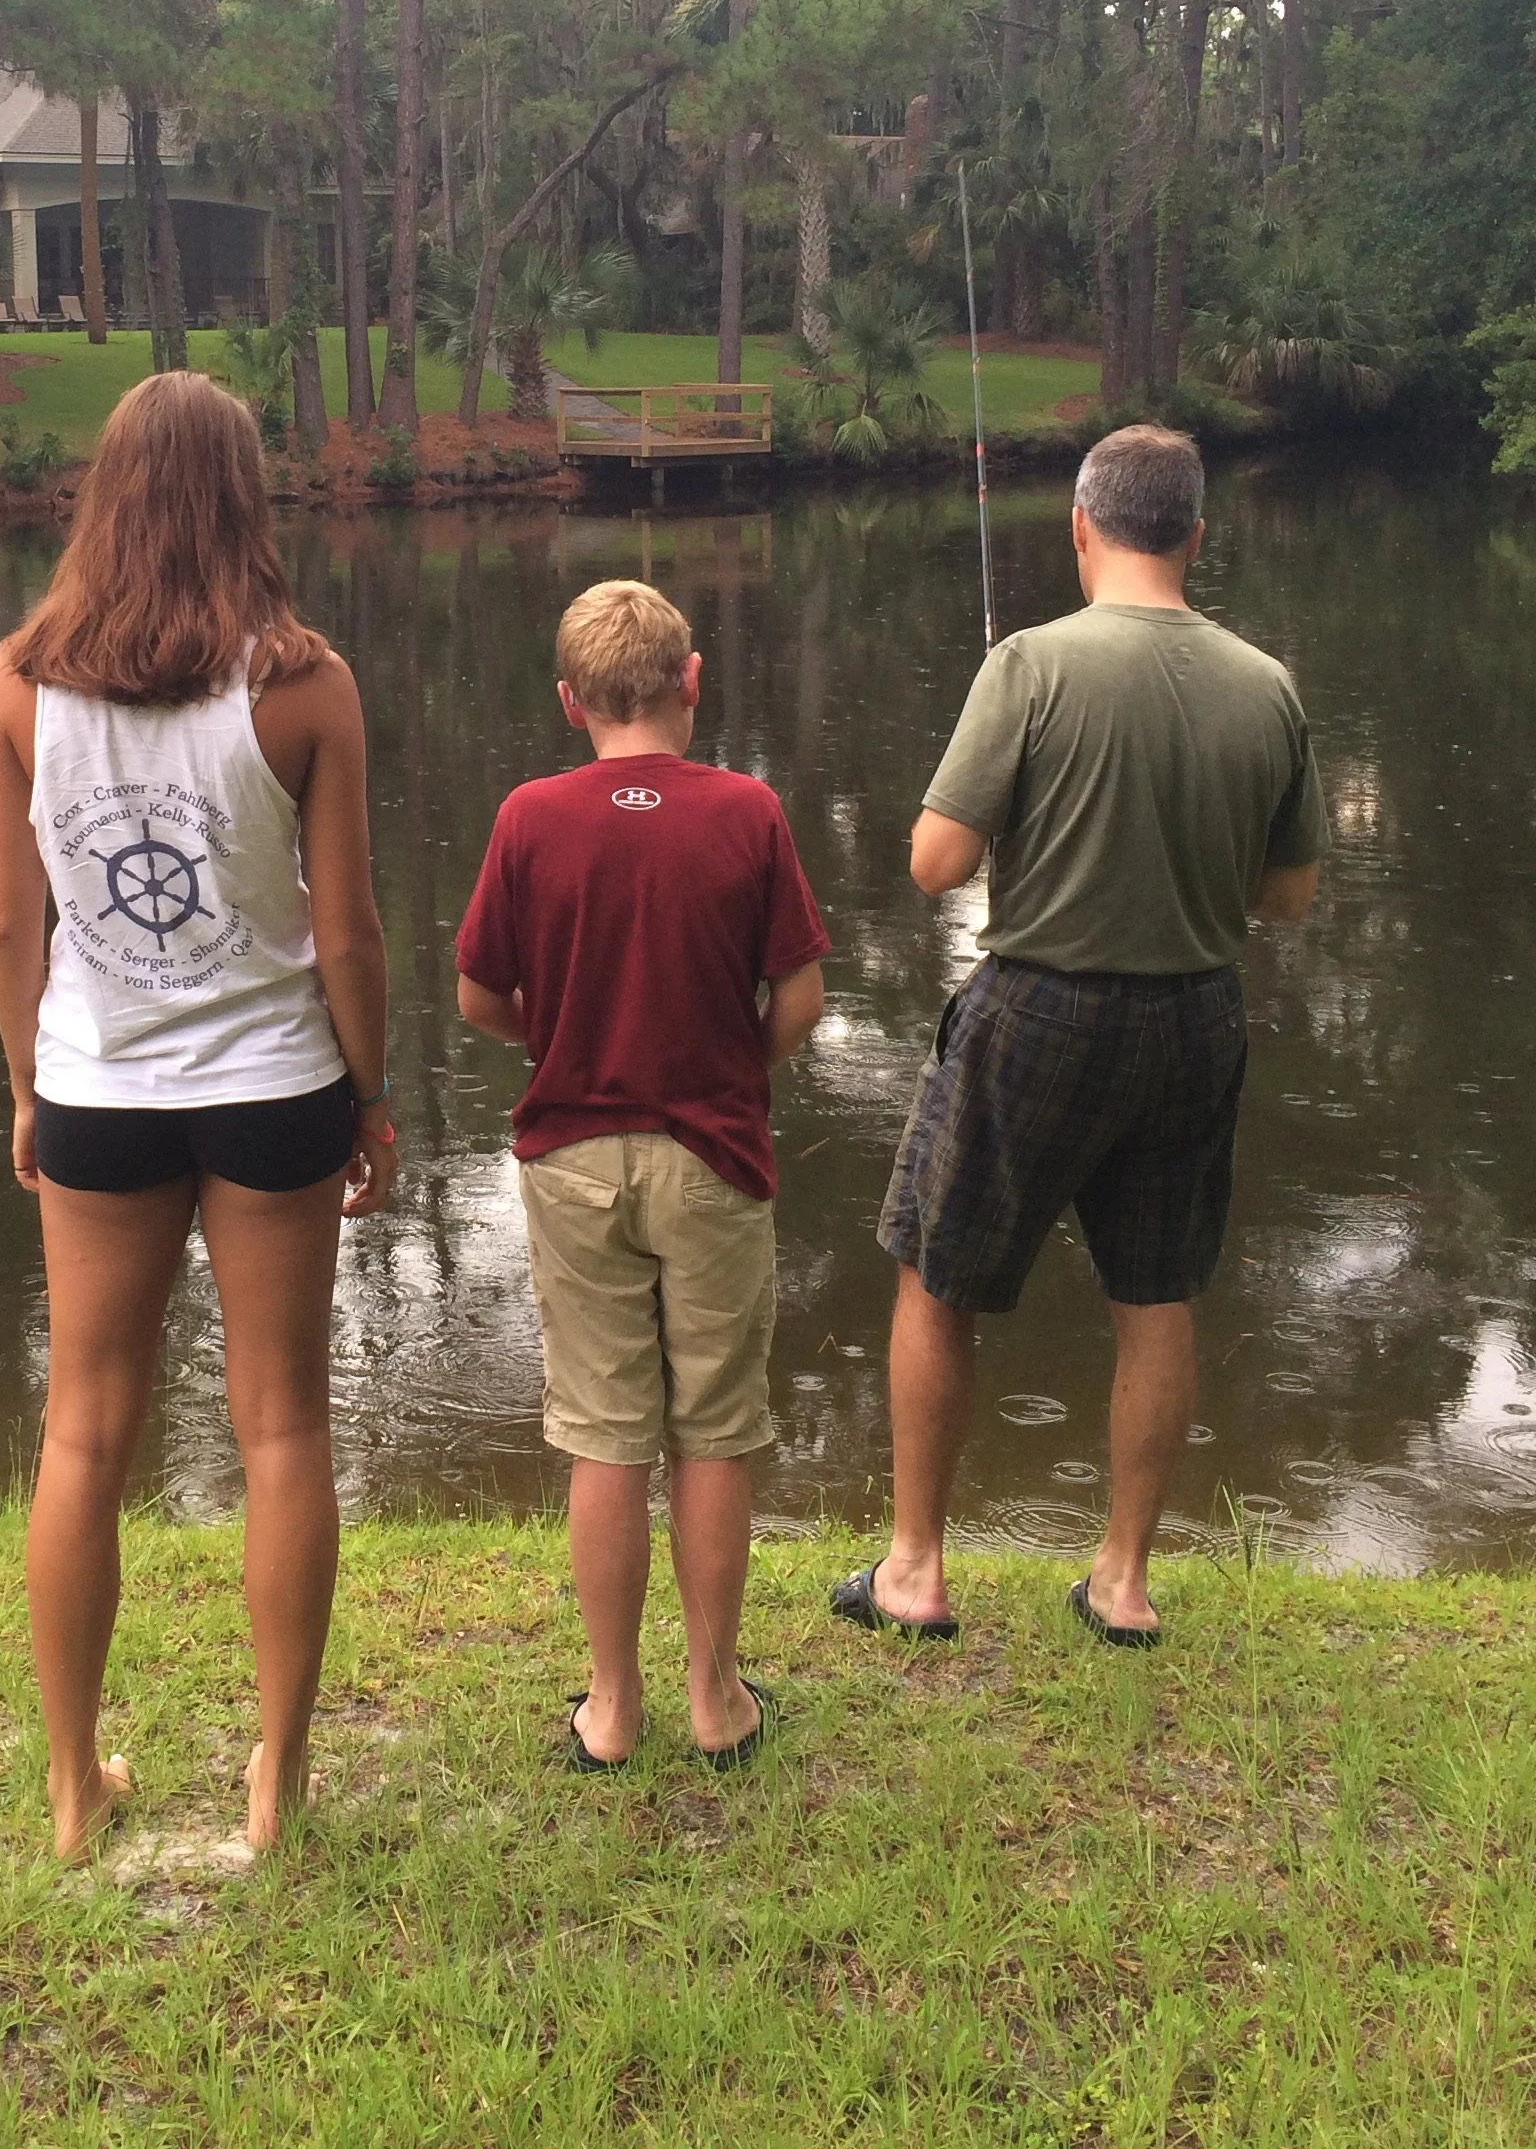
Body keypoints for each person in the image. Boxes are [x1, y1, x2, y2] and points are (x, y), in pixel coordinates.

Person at [0, 371, 396, 1860]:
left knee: (83, 1433)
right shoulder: (304, 683)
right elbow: (346, 934)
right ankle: (276, 1782)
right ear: (244, 498)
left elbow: (11, 931)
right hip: (278, 1086)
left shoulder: (22, 679)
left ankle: (75, 1784)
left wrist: (29, 1087)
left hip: (98, 1089)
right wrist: (375, 1093)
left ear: (106, 496)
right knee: (282, 1425)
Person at [836, 424, 1324, 1652]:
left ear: (1081, 527)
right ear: (1197, 536)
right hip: (1199, 1018)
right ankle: (1122, 1580)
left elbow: (936, 864)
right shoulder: (1267, 683)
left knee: (937, 1276)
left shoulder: (1030, 662)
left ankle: (914, 1571)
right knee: (1156, 1296)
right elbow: (1290, 897)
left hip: (1042, 1011)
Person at [455, 580, 828, 1771]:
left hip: (570, 1158)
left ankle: (612, 1710)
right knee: (714, 1429)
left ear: (571, 703)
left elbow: (477, 997)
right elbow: (803, 1001)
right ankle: (715, 1697)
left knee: (606, 1434)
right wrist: (728, 1060)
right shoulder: (749, 814)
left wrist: (563, 1036)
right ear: (694, 679)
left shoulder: (528, 818)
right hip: (713, 1154)